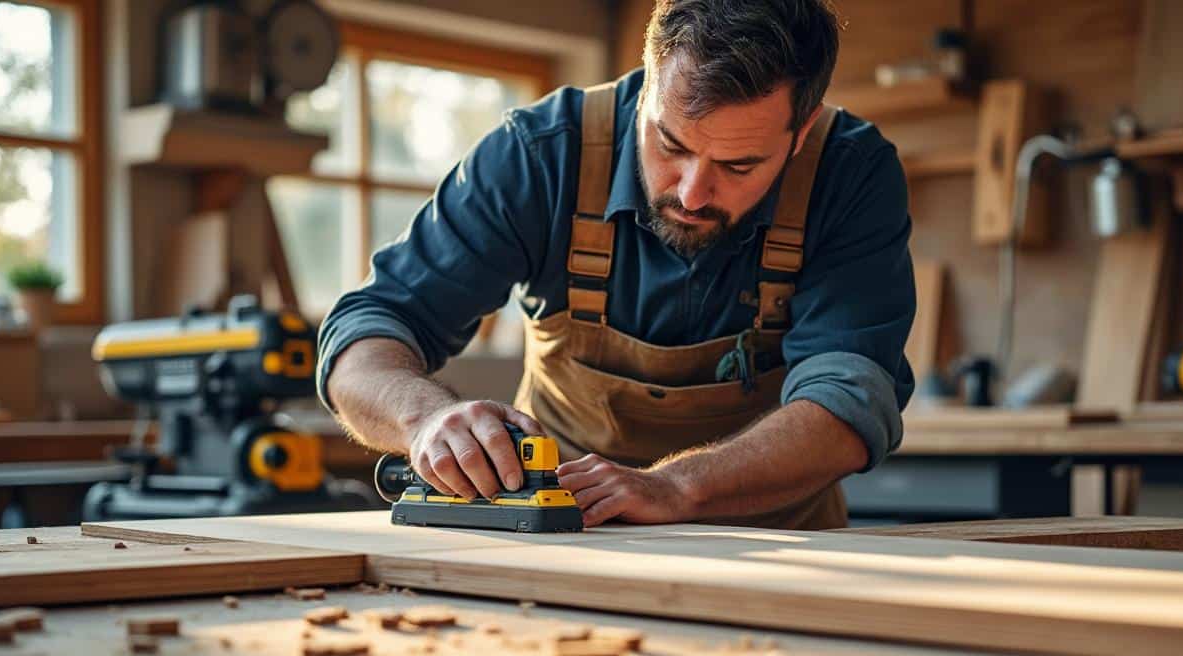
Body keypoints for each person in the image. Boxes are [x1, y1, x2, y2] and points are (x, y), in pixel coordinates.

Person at [318, 0, 915, 530]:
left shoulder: (850, 174)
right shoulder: (542, 156)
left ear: (801, 130)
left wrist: (678, 486)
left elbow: (849, 401)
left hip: (779, 547)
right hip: (564, 540)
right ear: (649, 81)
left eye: (739, 166)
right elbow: (367, 333)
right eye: (671, 145)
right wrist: (423, 420)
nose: (692, 194)